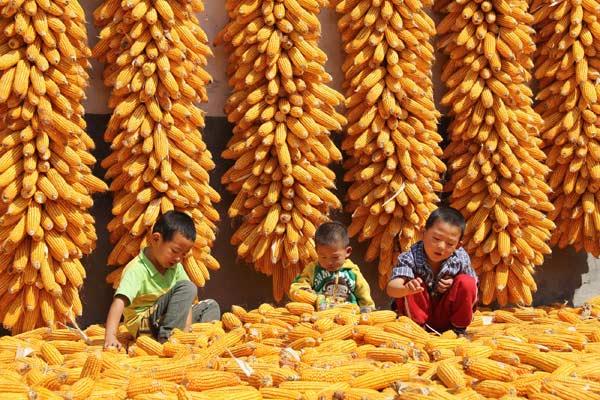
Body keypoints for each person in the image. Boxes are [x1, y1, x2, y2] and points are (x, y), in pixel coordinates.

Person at [103, 211, 220, 349]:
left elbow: (186, 301)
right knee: (188, 287)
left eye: (183, 254)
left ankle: (187, 338)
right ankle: (167, 339)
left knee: (210, 306)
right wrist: (110, 335)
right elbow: (119, 302)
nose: (178, 258)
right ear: (156, 239)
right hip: (144, 326)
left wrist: (186, 331)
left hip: (166, 319)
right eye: (175, 251)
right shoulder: (137, 269)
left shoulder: (175, 267)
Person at [387, 207, 477, 335]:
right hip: (416, 318)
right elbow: (391, 288)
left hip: (446, 317)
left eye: (450, 244)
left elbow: (473, 290)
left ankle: (458, 330)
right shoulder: (411, 256)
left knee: (467, 281)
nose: (441, 247)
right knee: (411, 280)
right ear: (423, 233)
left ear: (458, 246)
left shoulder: (461, 258)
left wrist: (454, 284)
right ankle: (417, 331)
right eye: (436, 239)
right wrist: (406, 289)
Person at [289, 221, 375, 312]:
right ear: (316, 251)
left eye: (335, 257)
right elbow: (298, 285)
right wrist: (305, 291)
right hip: (320, 314)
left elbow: (363, 293)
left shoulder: (353, 272)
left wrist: (367, 308)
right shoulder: (313, 269)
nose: (329, 262)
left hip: (348, 314)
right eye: (323, 257)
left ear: (347, 251)